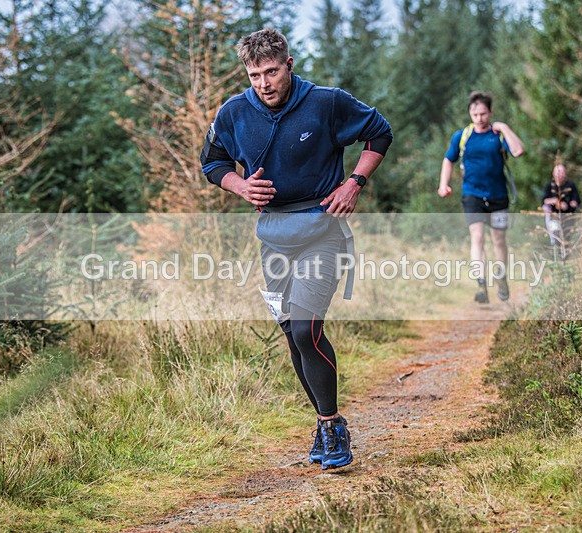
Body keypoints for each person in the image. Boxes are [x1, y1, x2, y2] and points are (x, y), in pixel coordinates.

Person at [200, 28, 392, 470]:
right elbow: (212, 163)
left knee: (306, 329)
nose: (264, 83)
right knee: (292, 334)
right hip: (273, 237)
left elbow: (379, 133)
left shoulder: (326, 102)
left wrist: (354, 183)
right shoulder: (233, 113)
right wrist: (240, 185)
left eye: (271, 72)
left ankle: (332, 427)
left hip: (324, 230)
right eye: (254, 75)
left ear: (288, 65)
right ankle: (326, 424)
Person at [438, 92, 524, 303]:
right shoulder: (463, 136)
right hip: (472, 194)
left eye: (483, 113)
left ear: (490, 113)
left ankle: (501, 278)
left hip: (498, 196)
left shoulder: (498, 135)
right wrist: (443, 184)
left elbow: (518, 150)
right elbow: (448, 160)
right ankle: (481, 285)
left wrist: (504, 127)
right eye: (475, 114)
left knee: (499, 240)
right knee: (477, 238)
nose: (479, 118)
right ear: (470, 113)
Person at [542, 163, 581, 255]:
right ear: (554, 174)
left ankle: (565, 257)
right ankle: (556, 254)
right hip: (554, 217)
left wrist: (572, 204)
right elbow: (544, 200)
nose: (561, 175)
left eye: (563, 172)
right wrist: (555, 201)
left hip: (568, 216)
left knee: (567, 238)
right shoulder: (550, 186)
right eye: (558, 172)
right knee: (556, 235)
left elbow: (577, 200)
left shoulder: (571, 185)